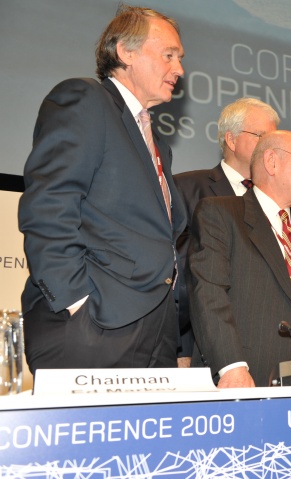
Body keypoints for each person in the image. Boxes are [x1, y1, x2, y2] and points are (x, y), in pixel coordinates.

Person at [18, 6, 187, 373]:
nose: (179, 69)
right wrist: (76, 302)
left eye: (180, 59)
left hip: (156, 332)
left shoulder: (158, 143)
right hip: (93, 324)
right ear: (126, 52)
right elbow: (49, 204)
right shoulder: (85, 100)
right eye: (169, 55)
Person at [187, 130, 291, 387]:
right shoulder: (220, 214)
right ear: (272, 162)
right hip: (247, 379)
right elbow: (209, 295)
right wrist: (232, 367)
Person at [173, 98, 280, 366]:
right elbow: (181, 278)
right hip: (206, 350)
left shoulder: (277, 202)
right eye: (262, 137)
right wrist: (181, 348)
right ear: (231, 141)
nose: (272, 149)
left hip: (268, 349)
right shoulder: (187, 188)